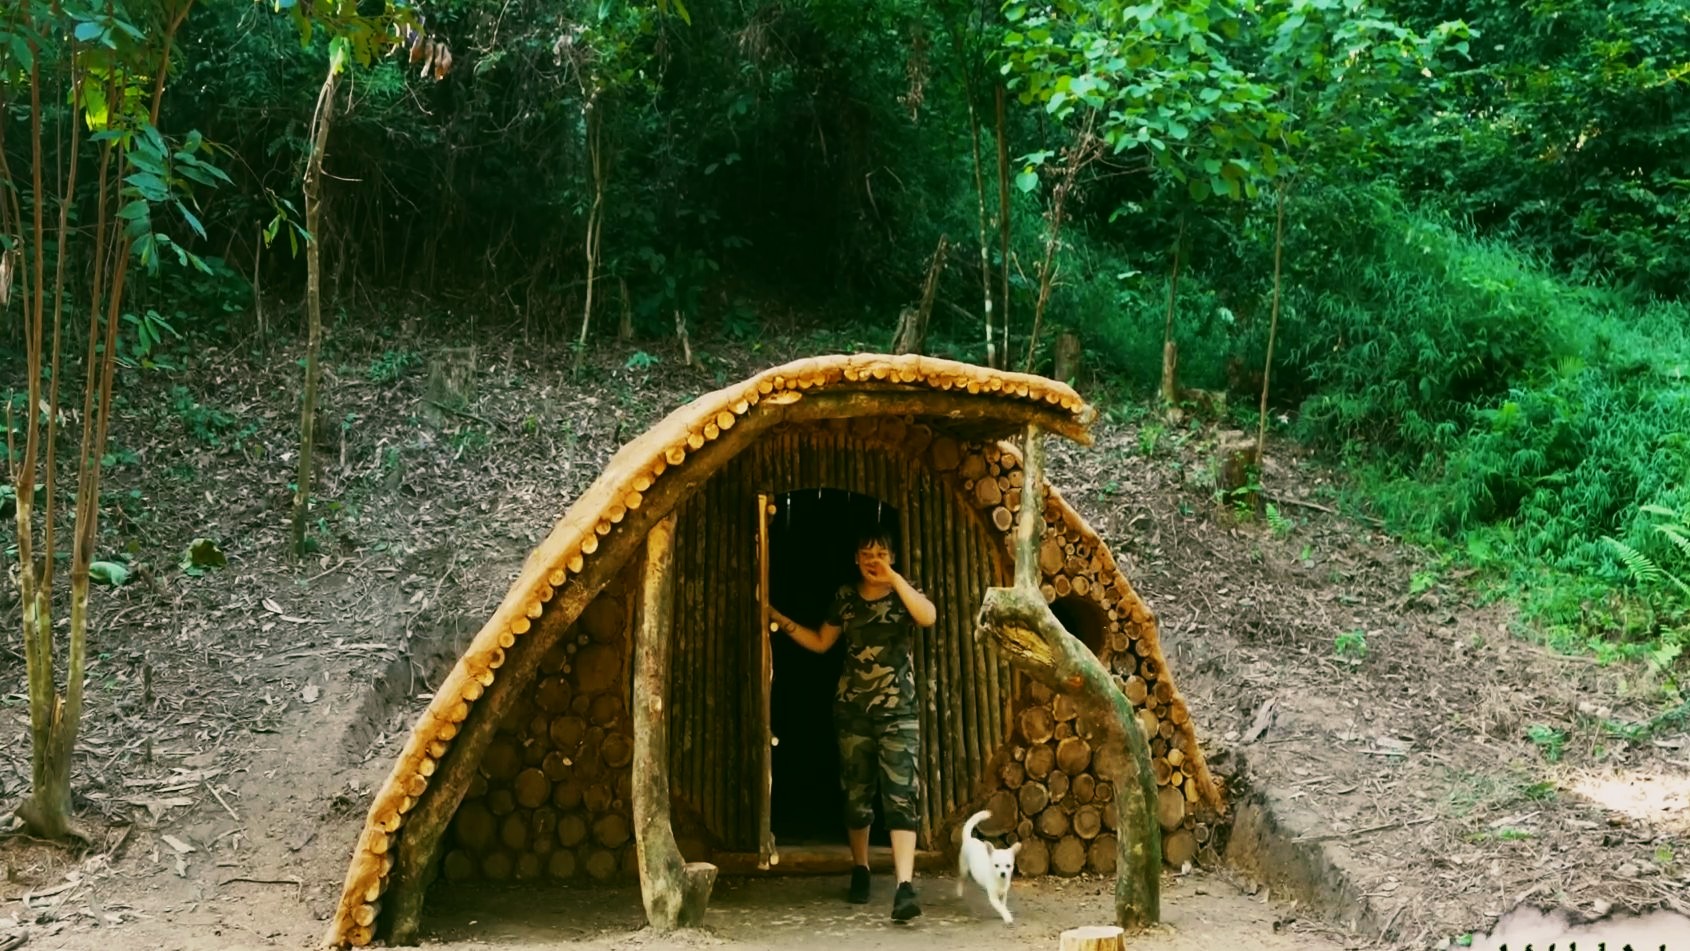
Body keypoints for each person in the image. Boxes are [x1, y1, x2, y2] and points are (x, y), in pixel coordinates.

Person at [769, 527, 937, 922]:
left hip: (900, 711)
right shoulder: (845, 597)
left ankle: (904, 887)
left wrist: (893, 578)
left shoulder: (903, 593)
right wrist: (779, 620)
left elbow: (927, 617)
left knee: (901, 795)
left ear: (892, 556)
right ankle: (860, 868)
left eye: (880, 552)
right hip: (853, 711)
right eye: (865, 553)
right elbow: (821, 642)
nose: (872, 559)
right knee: (856, 795)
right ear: (855, 558)